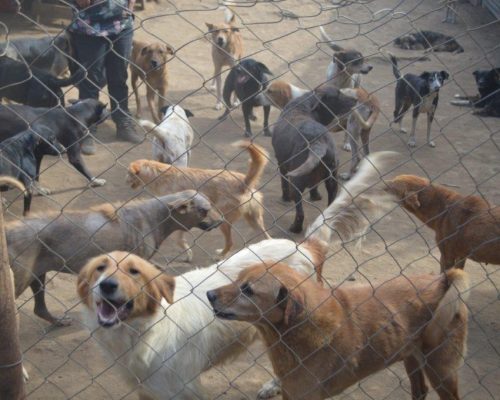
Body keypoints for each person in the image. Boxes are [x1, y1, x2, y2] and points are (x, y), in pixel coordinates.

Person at [68, 0, 142, 155]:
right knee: (90, 78)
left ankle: (122, 121)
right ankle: (87, 128)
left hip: (121, 22)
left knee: (119, 75)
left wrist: (131, 4)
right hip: (89, 25)